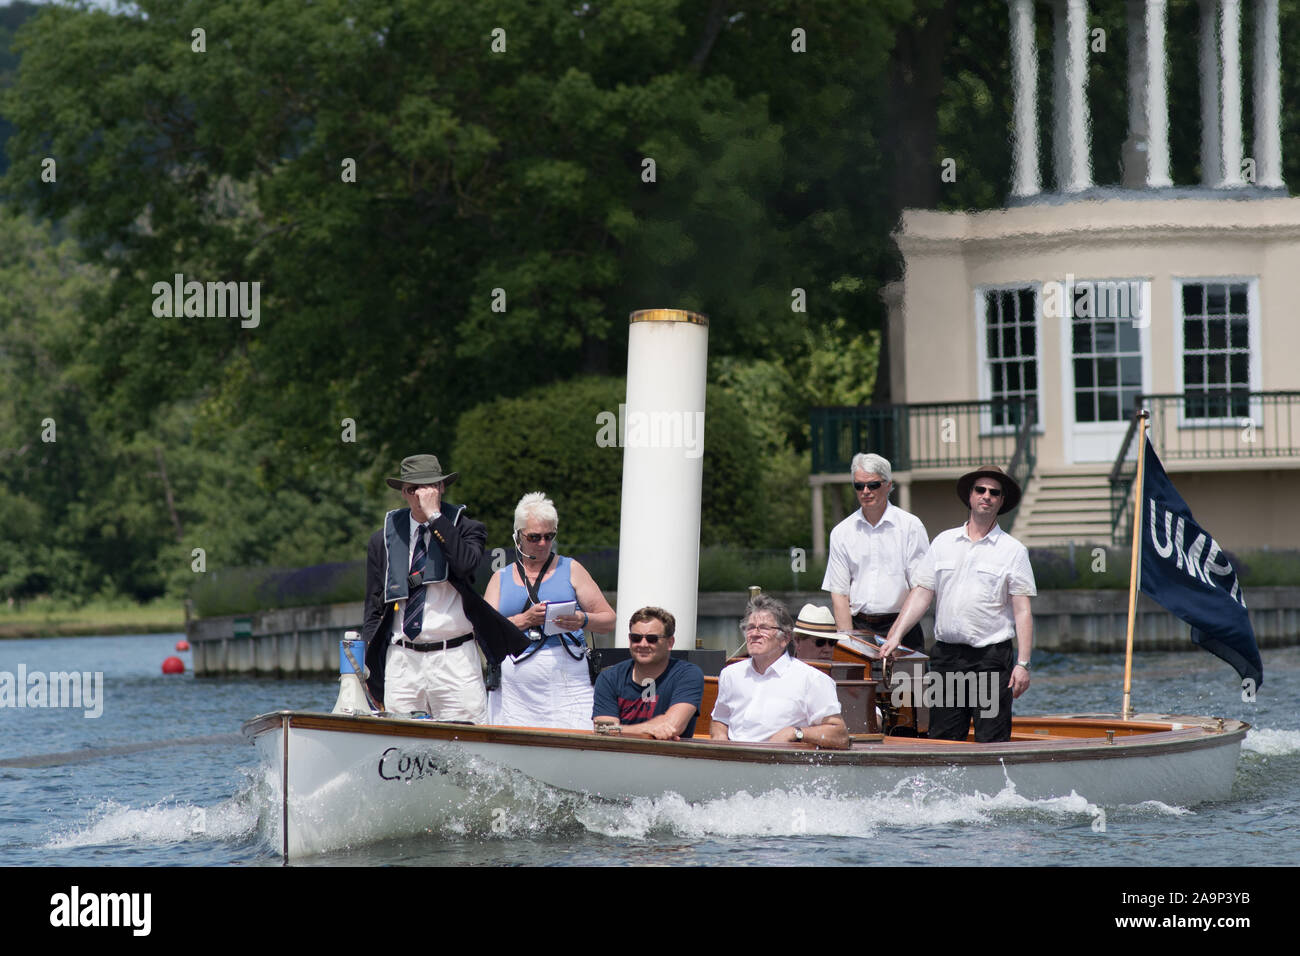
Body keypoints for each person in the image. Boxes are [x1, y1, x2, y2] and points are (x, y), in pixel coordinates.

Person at [362, 454, 530, 720]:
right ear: (403, 493)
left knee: (467, 740)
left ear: (441, 487)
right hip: (402, 659)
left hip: (454, 657)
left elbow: (465, 564)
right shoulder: (382, 538)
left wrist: (434, 517)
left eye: (427, 487)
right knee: (398, 743)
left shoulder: (468, 528)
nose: (419, 495)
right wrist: (370, 660)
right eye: (412, 489)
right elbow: (373, 606)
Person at [880, 465, 1036, 743]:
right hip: (946, 658)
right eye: (980, 490)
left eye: (994, 492)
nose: (986, 496)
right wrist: (895, 635)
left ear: (1001, 501)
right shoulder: (942, 542)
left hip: (990, 659)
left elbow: (1022, 611)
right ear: (970, 496)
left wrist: (1023, 664)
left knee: (991, 739)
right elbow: (922, 593)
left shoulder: (1013, 551)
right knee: (943, 738)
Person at [485, 492, 616, 729]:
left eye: (549, 536)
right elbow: (483, 632)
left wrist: (581, 619)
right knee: (515, 745)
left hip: (568, 676)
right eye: (534, 537)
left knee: (578, 740)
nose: (543, 543)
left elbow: (608, 620)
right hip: (517, 683)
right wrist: (523, 620)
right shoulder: (500, 578)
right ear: (518, 536)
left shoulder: (572, 568)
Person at [710, 594, 850, 749]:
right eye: (750, 628)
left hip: (781, 765)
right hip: (734, 764)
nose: (754, 634)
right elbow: (720, 720)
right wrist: (720, 740)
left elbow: (839, 735)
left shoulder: (812, 679)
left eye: (763, 628)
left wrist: (795, 733)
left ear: (785, 638)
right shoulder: (730, 674)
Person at [822, 452, 930, 651]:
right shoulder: (841, 532)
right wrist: (848, 643)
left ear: (888, 485)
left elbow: (921, 587)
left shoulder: (911, 527)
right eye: (858, 486)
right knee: (859, 683)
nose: (865, 491)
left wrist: (897, 632)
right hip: (858, 627)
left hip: (903, 626)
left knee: (907, 683)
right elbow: (839, 593)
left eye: (873, 485)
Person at [591, 606, 705, 740]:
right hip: (618, 755)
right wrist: (647, 728)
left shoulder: (688, 674)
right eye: (636, 638)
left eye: (652, 639)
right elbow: (602, 730)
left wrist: (619, 729)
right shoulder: (609, 677)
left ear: (670, 643)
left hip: (670, 757)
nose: (643, 644)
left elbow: (673, 726)